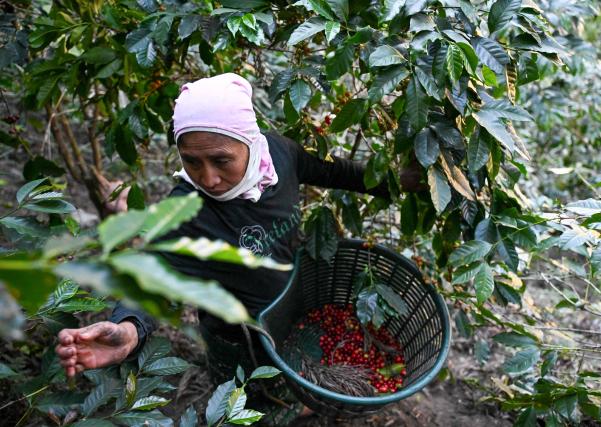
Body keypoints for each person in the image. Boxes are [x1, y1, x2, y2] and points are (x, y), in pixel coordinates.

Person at [55, 73, 424, 423]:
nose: (209, 179)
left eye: (221, 161)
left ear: (250, 140)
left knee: (288, 377)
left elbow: (334, 172)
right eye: (192, 162)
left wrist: (395, 181)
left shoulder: (279, 154)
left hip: (290, 306)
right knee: (250, 397)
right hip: (240, 337)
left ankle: (291, 403)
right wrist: (129, 329)